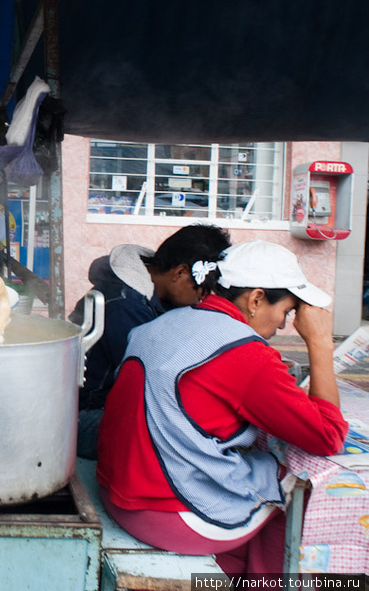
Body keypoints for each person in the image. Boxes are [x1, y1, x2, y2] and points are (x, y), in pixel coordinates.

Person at [96, 240, 347, 575]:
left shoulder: (158, 325)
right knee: (295, 482)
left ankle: (230, 570)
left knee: (255, 466)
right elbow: (329, 436)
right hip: (172, 517)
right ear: (256, 299)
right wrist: (319, 344)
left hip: (117, 497)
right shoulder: (244, 350)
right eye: (286, 312)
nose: (284, 326)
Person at [71, 223, 231, 458]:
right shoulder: (127, 307)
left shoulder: (152, 294)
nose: (202, 300)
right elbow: (154, 383)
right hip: (85, 418)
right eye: (202, 291)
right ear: (180, 273)